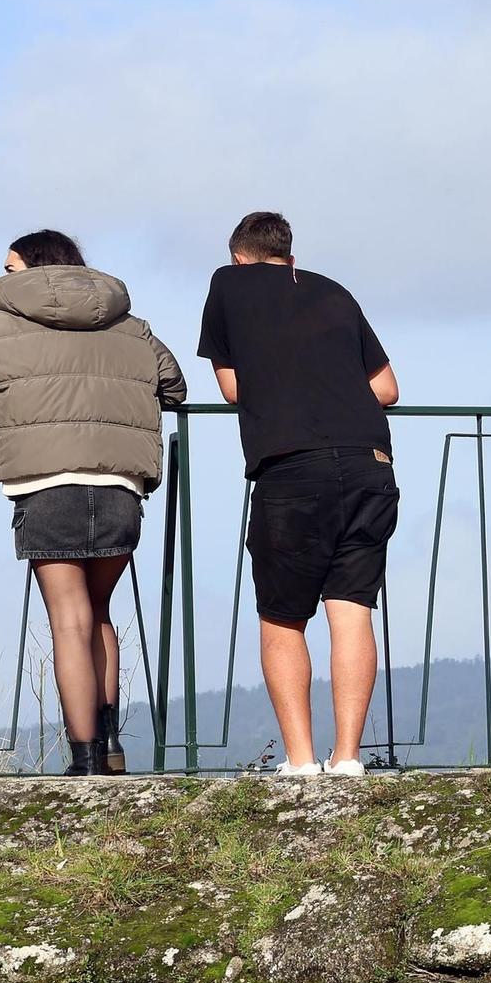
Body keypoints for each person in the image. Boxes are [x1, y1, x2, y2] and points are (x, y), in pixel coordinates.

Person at [0, 230, 186, 776]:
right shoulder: (130, 325)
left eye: (10, 266)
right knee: (99, 616)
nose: (2, 275)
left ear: (33, 269)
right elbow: (174, 385)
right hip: (121, 484)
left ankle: (84, 761)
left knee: (68, 621)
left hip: (46, 485)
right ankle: (111, 748)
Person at [197, 212, 400, 778]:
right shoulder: (334, 291)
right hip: (369, 463)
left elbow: (234, 387)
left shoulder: (227, 285)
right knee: (353, 611)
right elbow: (386, 388)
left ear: (240, 257)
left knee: (283, 617)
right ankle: (349, 759)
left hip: (292, 468)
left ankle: (302, 761)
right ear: (289, 253)